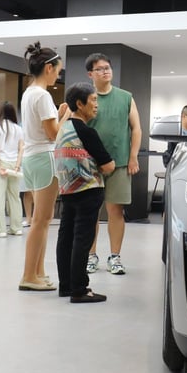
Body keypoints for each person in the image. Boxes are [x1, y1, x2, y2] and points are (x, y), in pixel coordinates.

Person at [54, 83, 116, 303]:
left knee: (66, 237)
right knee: (82, 239)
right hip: (88, 190)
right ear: (79, 104)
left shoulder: (64, 129)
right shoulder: (86, 131)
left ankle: (66, 286)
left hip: (67, 190)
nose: (96, 105)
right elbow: (108, 165)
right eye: (93, 100)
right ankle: (80, 289)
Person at [85, 52, 141, 275]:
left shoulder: (126, 97)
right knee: (90, 212)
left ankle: (115, 257)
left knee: (115, 211)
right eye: (100, 68)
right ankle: (90, 256)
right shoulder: (86, 96)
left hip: (118, 163)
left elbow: (136, 128)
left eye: (107, 67)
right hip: (89, 165)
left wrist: (133, 156)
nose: (105, 71)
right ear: (90, 74)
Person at [18, 42, 67, 292]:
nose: (58, 75)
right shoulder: (43, 95)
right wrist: (64, 116)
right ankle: (29, 275)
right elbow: (53, 135)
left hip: (31, 158)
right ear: (48, 68)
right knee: (42, 221)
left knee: (42, 220)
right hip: (45, 159)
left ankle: (38, 272)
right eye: (58, 70)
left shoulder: (29, 93)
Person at [0, 101, 24, 237]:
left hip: (1, 163)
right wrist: (17, 165)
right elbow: (21, 148)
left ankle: (0, 230)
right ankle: (16, 228)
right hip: (14, 164)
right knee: (15, 197)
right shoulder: (18, 128)